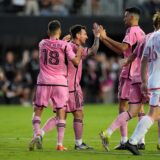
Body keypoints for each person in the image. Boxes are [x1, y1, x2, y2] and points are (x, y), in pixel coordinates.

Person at [40, 23, 100, 150]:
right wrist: (98, 36)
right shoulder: (74, 47)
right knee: (79, 114)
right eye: (84, 34)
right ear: (78, 35)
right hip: (72, 87)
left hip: (60, 86)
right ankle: (79, 144)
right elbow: (94, 51)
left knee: (60, 116)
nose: (86, 36)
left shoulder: (65, 45)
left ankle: (39, 134)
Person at [28, 20, 83, 151]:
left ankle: (37, 134)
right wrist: (79, 50)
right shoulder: (65, 45)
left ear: (48, 32)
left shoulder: (41, 43)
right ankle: (59, 144)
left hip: (44, 81)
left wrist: (62, 40)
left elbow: (53, 43)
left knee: (38, 110)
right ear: (59, 31)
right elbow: (75, 61)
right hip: (60, 83)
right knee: (61, 112)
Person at [99, 7, 145, 150]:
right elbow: (122, 50)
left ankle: (124, 139)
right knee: (140, 107)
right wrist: (103, 39)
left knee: (123, 106)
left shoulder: (131, 31)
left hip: (129, 74)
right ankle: (140, 140)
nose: (124, 19)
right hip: (139, 74)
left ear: (132, 17)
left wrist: (105, 37)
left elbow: (122, 48)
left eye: (125, 17)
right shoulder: (142, 32)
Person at [124, 11, 160, 155]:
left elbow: (144, 59)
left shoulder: (151, 37)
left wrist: (145, 81)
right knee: (152, 114)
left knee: (156, 113)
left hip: (152, 79)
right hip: (158, 81)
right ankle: (132, 141)